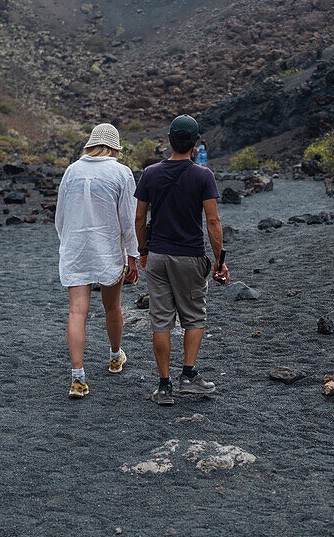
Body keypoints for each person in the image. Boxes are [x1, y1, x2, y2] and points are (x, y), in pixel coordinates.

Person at [134, 115, 230, 406]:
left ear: (170, 141)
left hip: (159, 257)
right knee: (194, 317)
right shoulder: (203, 176)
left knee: (161, 321)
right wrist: (219, 259)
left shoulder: (150, 173)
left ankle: (164, 386)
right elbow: (212, 221)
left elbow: (139, 217)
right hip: (190, 256)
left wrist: (143, 250)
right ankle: (188, 376)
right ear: (195, 142)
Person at [55, 123, 140, 399]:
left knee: (77, 311)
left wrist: (66, 242)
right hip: (107, 252)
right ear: (115, 147)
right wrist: (133, 255)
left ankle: (77, 378)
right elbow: (129, 220)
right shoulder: (121, 173)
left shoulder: (72, 171)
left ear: (90, 144)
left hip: (77, 249)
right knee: (112, 306)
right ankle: (116, 357)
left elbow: (60, 217)